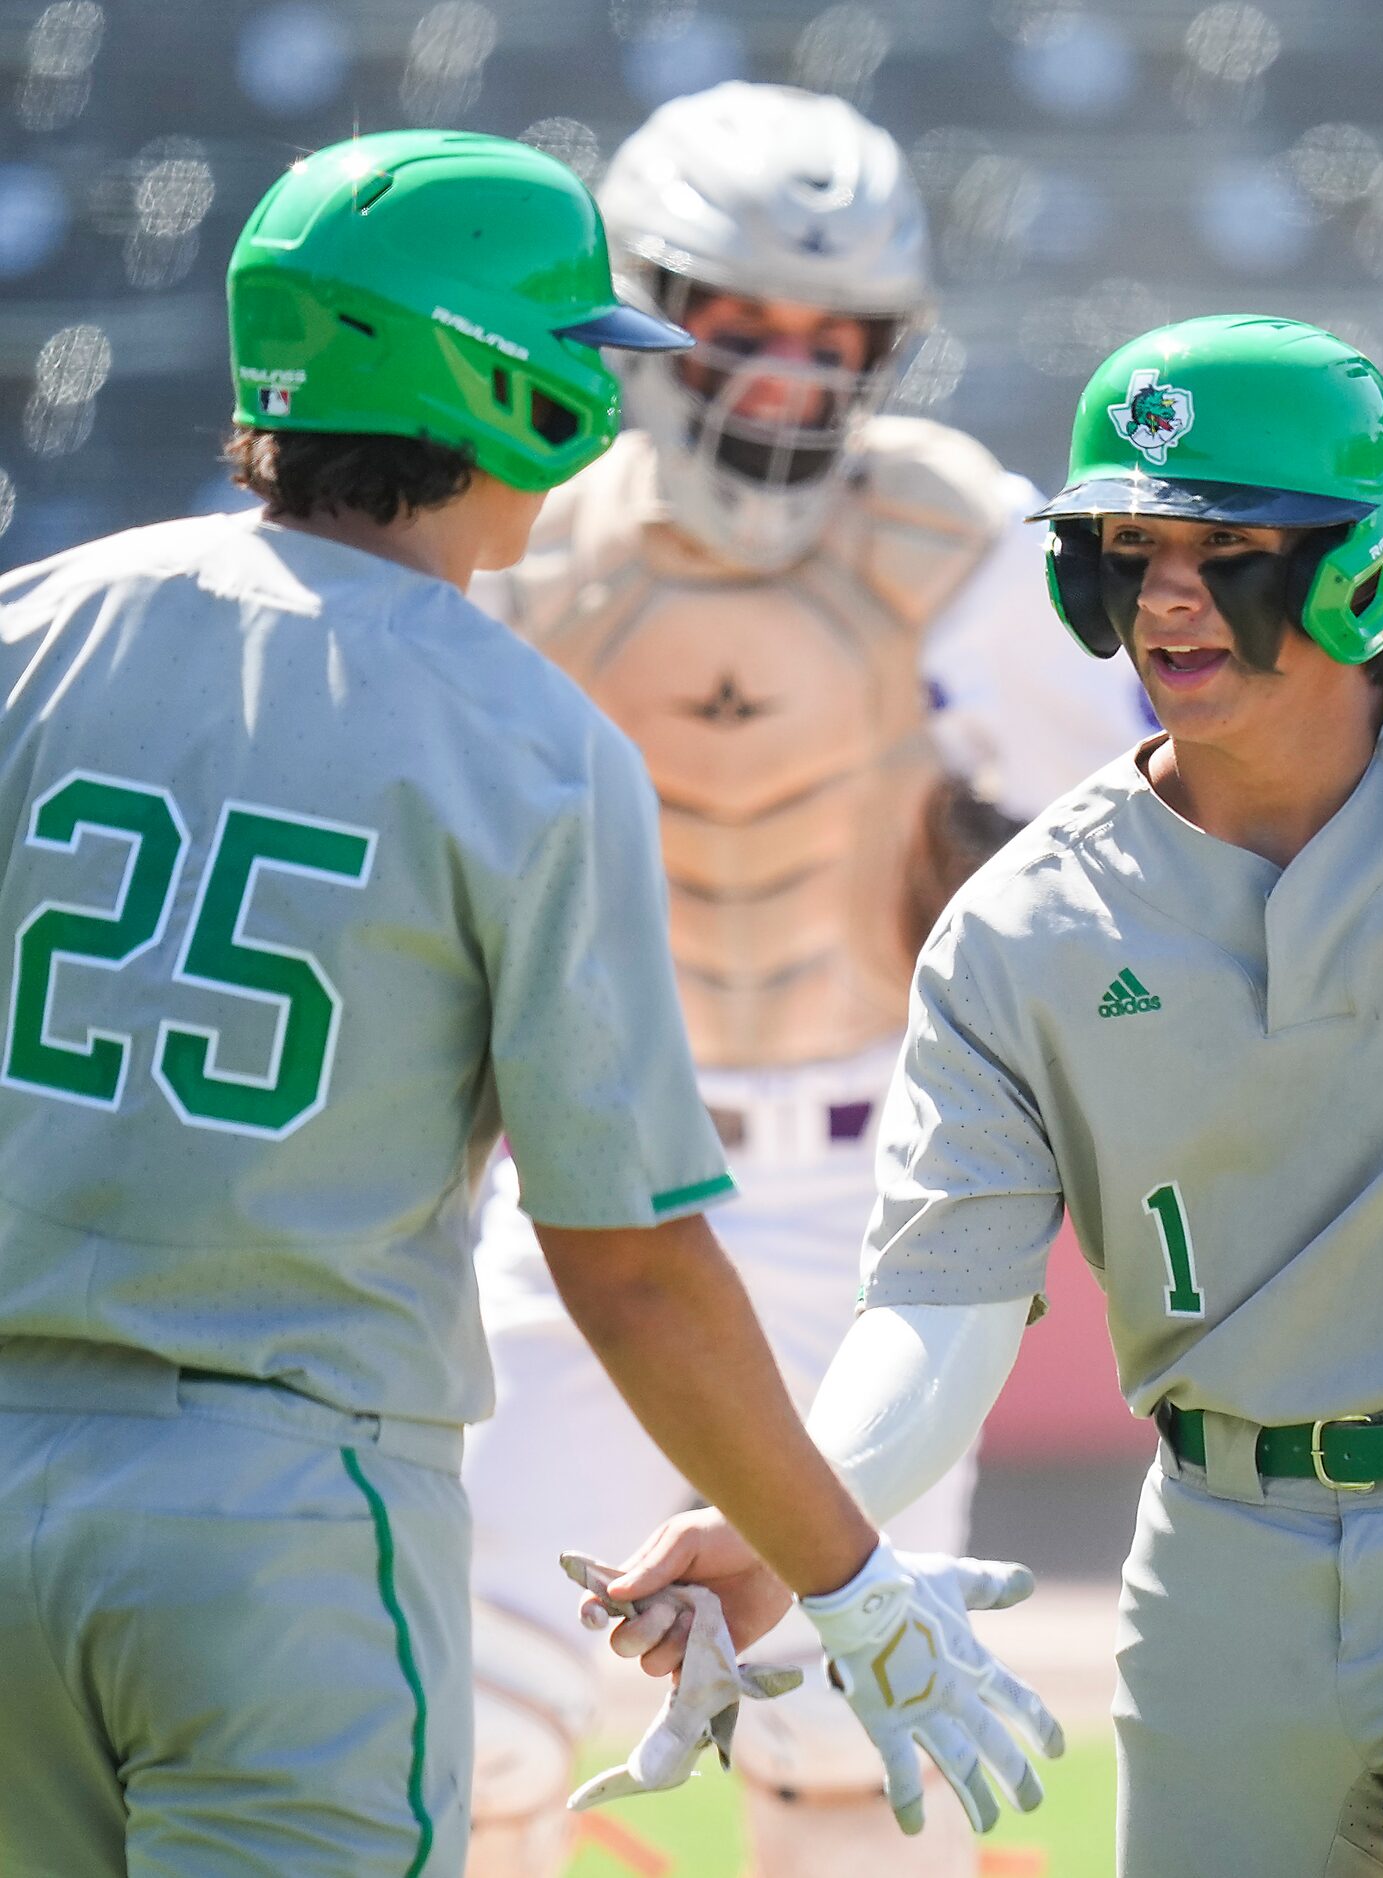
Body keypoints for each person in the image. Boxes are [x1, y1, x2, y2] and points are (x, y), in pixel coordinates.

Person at [0, 129, 1059, 1878]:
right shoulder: (528, 729)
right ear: (508, 387)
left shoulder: (40, 621)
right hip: (288, 1491)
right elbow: (628, 1259)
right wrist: (849, 1576)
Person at [586, 313, 1383, 1878]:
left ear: (1362, 562)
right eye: (1128, 547)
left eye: (1222, 545)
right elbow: (939, 1315)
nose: (1166, 595)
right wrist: (783, 1519)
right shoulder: (1022, 927)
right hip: (1218, 1559)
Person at [462, 79, 1149, 1877]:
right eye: (738, 322)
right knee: (466, 1731)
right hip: (588, 1180)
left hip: (870, 1187)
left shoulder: (962, 532)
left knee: (865, 1754)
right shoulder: (529, 536)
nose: (784, 371)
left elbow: (1136, 823)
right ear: (642, 306)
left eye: (829, 334)